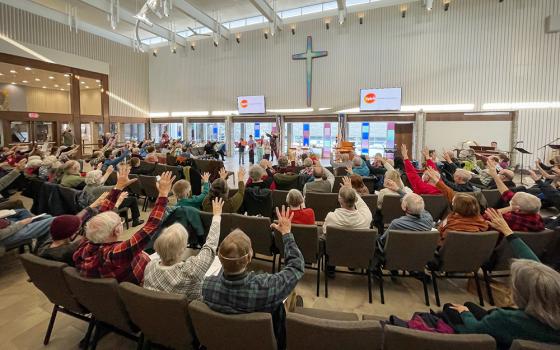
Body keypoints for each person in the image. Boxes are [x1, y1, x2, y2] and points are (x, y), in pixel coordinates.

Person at [442, 209, 560, 349]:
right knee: (470, 304)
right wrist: (508, 233)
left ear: (520, 293)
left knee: (451, 308)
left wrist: (465, 313)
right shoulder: (549, 304)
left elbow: (475, 332)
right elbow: (536, 268)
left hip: (492, 341)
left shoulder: (506, 318)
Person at [202, 206, 305, 349]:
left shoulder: (206, 286)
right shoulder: (266, 287)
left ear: (219, 258)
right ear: (249, 257)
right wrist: (287, 234)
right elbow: (296, 267)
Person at [73, 167, 174, 284]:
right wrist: (163, 195)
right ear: (116, 231)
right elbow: (151, 227)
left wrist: (118, 187)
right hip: (139, 282)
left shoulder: (83, 245)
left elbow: (101, 213)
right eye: (120, 222)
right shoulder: (116, 254)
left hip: (109, 288)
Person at [144, 198, 224, 302]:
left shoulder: (149, 266)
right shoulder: (191, 271)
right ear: (182, 250)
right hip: (189, 315)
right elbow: (210, 246)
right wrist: (217, 216)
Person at [37, 193, 110, 265]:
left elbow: (69, 223)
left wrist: (91, 207)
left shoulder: (45, 245)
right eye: (77, 229)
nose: (78, 230)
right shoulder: (73, 250)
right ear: (71, 234)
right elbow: (96, 232)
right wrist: (114, 205)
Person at [487, 158, 545, 232]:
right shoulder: (538, 219)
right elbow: (506, 193)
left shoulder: (507, 218)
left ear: (517, 209)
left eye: (512, 201)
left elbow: (486, 216)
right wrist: (495, 176)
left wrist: (508, 208)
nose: (511, 199)